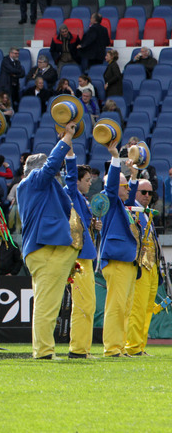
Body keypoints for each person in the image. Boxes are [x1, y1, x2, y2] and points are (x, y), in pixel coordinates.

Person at [15, 121, 79, 359]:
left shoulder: (47, 188)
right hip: (46, 249)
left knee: (47, 303)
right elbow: (52, 166)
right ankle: (43, 351)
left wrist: (70, 152)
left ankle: (43, 349)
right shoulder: (32, 182)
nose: (57, 173)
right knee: (47, 306)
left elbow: (70, 187)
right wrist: (66, 138)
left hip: (48, 249)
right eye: (53, 170)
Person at [98, 142, 139, 357]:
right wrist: (115, 158)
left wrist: (134, 174)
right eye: (126, 187)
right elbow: (113, 186)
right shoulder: (110, 201)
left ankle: (120, 346)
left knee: (124, 306)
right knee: (116, 306)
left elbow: (130, 198)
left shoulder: (121, 205)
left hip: (127, 261)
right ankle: (112, 348)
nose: (128, 190)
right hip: (116, 260)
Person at [63, 157, 99, 359]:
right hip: (79, 257)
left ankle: (83, 349)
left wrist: (92, 225)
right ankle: (77, 350)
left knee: (89, 304)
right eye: (86, 179)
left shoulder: (82, 200)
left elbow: (81, 224)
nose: (89, 182)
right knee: (83, 303)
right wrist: (69, 152)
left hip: (86, 256)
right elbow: (69, 176)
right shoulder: (72, 194)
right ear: (76, 181)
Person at [126, 179, 160, 357]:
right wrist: (132, 176)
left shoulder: (148, 213)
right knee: (137, 308)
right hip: (140, 264)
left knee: (147, 309)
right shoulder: (132, 209)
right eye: (143, 192)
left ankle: (140, 345)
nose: (147, 196)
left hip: (152, 265)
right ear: (135, 192)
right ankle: (132, 346)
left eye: (150, 193)